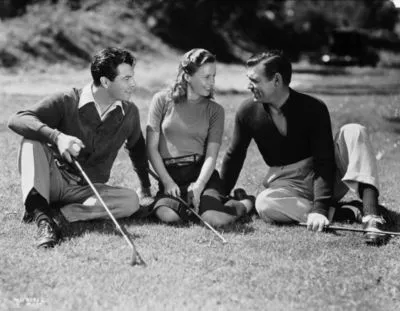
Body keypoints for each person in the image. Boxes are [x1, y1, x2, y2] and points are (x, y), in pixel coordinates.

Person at [220, 49, 389, 244]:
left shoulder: (313, 108)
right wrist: (219, 195)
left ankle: (371, 215)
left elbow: (324, 161)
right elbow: (235, 155)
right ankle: (347, 212)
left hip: (325, 175)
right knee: (264, 203)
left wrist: (320, 209)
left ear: (276, 80)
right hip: (288, 185)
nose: (249, 86)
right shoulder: (247, 111)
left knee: (354, 130)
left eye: (255, 80)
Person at [8, 47, 152, 248]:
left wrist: (145, 187)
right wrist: (57, 137)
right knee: (31, 142)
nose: (133, 84)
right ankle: (43, 221)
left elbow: (136, 147)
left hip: (87, 190)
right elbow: (18, 119)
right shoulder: (67, 100)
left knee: (130, 201)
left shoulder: (130, 112)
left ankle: (60, 215)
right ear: (105, 82)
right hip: (53, 178)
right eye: (126, 79)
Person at [146, 48, 254, 226]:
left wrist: (199, 185)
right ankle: (197, 205)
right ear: (187, 76)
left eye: (214, 76)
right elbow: (151, 148)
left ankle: (245, 203)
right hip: (171, 175)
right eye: (206, 77)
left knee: (213, 219)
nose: (212, 82)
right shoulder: (161, 100)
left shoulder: (215, 111)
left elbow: (212, 155)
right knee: (168, 215)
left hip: (201, 174)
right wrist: (167, 181)